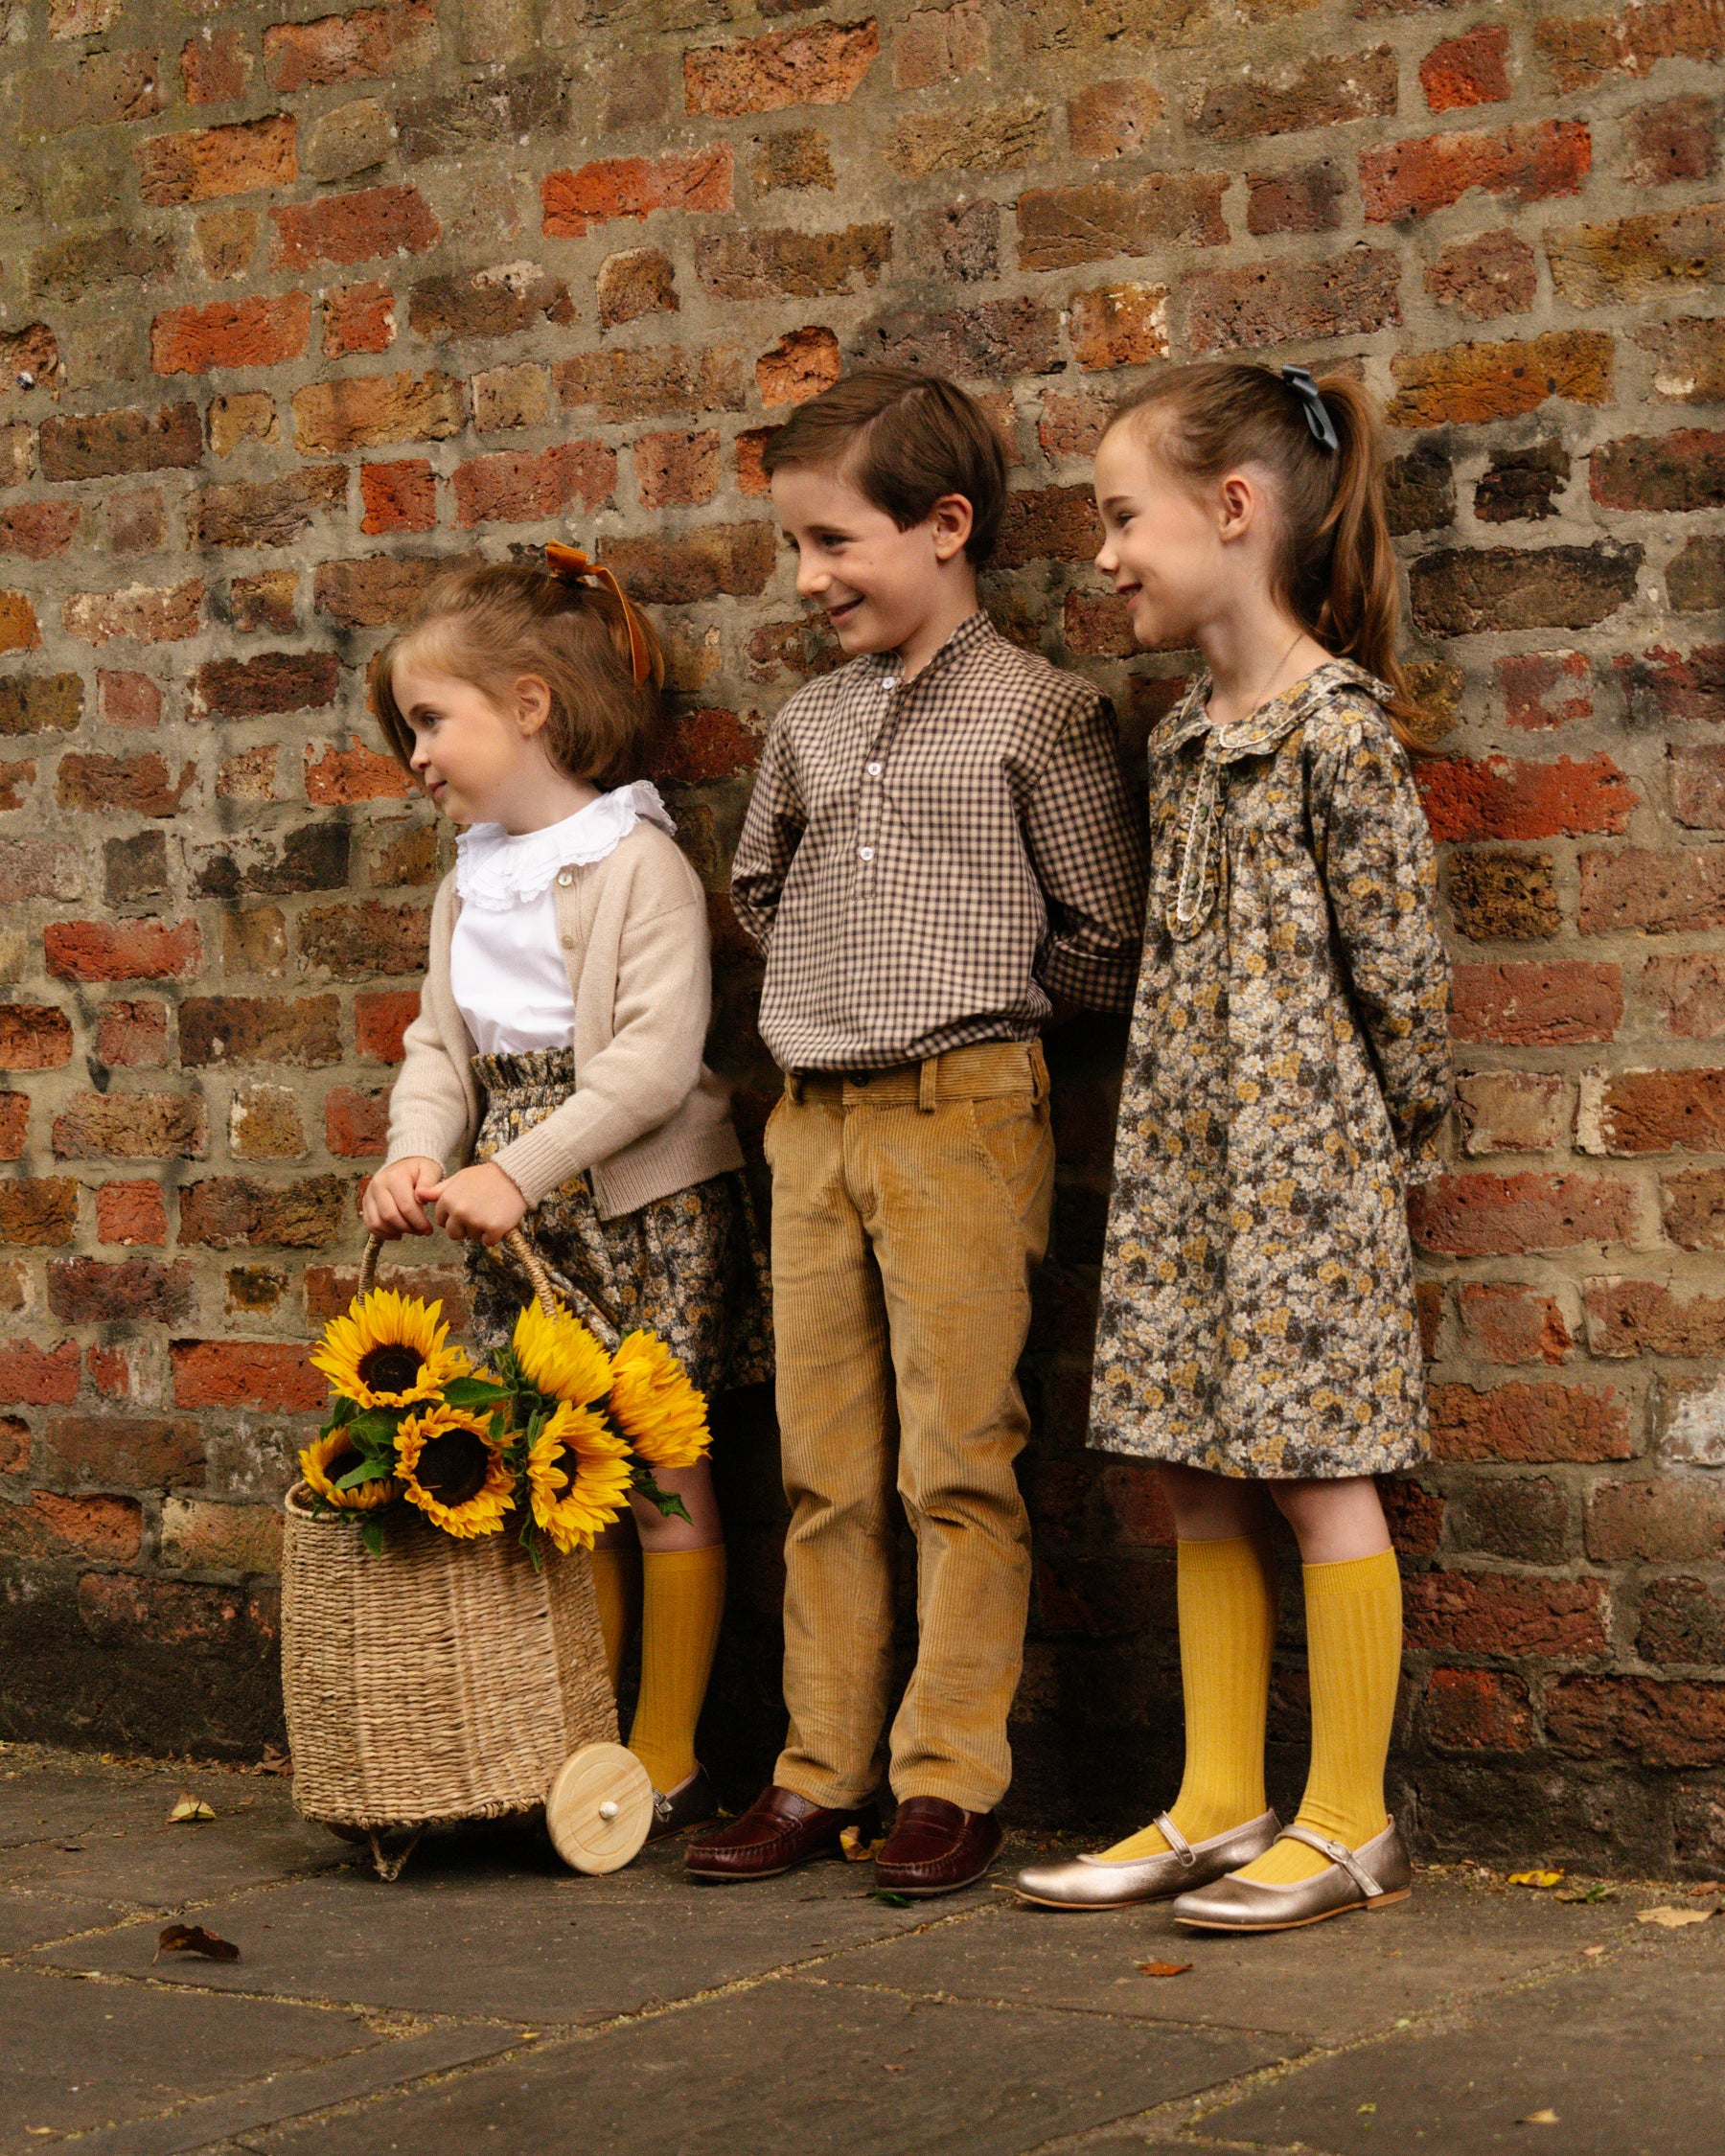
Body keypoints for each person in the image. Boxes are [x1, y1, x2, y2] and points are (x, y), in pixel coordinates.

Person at [689, 367, 1147, 1896]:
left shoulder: (1045, 713)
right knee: (824, 1467)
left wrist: (975, 1004)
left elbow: (1102, 930)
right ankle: (819, 1769)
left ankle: (949, 1775)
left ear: (946, 526)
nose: (810, 579)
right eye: (794, 551)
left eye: (833, 542)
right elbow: (759, 890)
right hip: (810, 1128)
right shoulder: (811, 725)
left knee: (960, 1457)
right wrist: (834, 991)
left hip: (964, 1115)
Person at [1014, 361, 1453, 1933]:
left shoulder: (1337, 730)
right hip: (1187, 1162)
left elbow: (1404, 980)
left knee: (1323, 1480)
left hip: (1305, 1176)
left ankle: (1350, 1820)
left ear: (1237, 510)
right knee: (1196, 1476)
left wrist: (1359, 1163)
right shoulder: (1186, 738)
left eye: (1126, 517)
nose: (1109, 554)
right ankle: (1220, 1796)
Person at [361, 548, 771, 1838]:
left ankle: (667, 1747)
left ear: (529, 705)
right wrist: (417, 1152)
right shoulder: (467, 883)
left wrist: (515, 1167)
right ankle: (580, 1733)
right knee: (562, 1471)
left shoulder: (631, 862)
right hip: (511, 1215)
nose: (415, 754)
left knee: (661, 1468)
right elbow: (442, 1047)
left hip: (634, 1205)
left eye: (431, 720)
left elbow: (652, 1063)